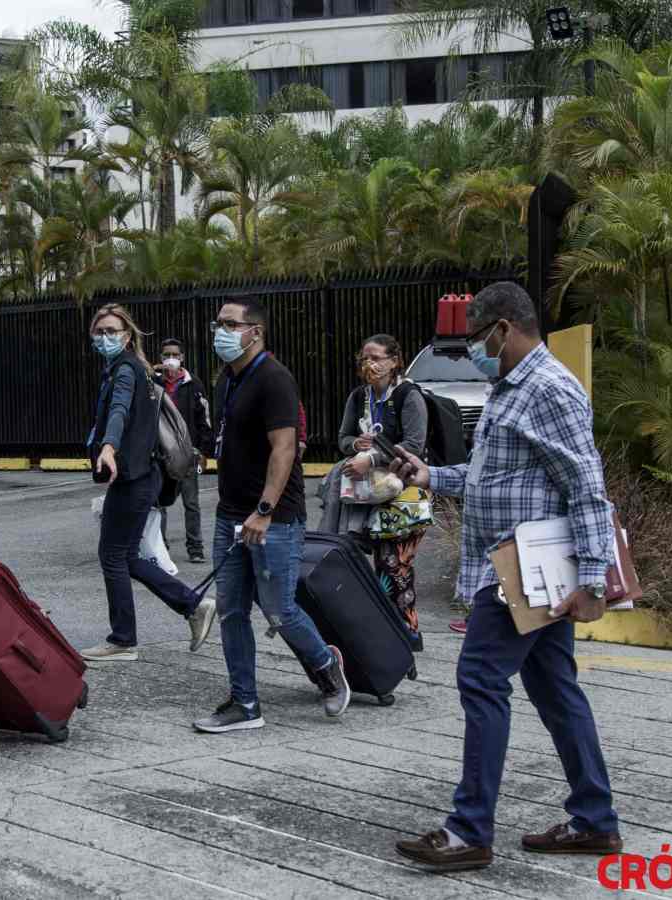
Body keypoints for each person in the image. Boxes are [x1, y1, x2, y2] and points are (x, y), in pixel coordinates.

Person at [388, 282, 621, 871]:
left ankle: (469, 831)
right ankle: (595, 820)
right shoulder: (508, 387)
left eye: (475, 338)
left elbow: (586, 486)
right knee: (555, 690)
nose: (472, 350)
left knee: (481, 679)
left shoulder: (549, 389)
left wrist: (594, 579)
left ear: (503, 329)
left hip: (523, 571)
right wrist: (429, 475)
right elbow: (489, 476)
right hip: (521, 569)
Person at [192, 295, 350, 734]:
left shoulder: (274, 379)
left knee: (280, 611)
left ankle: (325, 664)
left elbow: (284, 449)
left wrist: (264, 510)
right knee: (232, 611)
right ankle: (245, 703)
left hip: (273, 518)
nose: (220, 332)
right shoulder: (228, 380)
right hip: (230, 515)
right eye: (218, 323)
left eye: (230, 324)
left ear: (255, 332)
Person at [82, 305, 217, 663]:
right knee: (126, 555)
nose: (104, 338)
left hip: (133, 476)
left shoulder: (126, 370)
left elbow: (119, 410)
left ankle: (123, 640)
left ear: (127, 336)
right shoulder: (137, 369)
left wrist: (109, 446)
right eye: (99, 332)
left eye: (111, 331)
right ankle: (193, 605)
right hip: (142, 475)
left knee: (112, 555)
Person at [321, 335, 428, 634]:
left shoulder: (408, 395)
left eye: (377, 358)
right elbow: (343, 438)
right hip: (364, 491)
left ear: (394, 362)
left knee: (394, 565)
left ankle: (405, 631)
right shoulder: (358, 397)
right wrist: (356, 444)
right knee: (355, 556)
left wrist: (372, 458)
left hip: (403, 488)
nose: (370, 364)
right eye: (365, 358)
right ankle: (379, 631)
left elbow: (415, 445)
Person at [154, 338, 213, 564]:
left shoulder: (193, 384)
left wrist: (203, 450)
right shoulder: (153, 382)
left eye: (175, 355)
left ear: (182, 358)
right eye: (167, 354)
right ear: (160, 358)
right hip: (161, 453)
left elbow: (203, 418)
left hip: (188, 453)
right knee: (159, 503)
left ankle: (195, 548)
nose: (171, 358)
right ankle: (160, 547)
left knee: (191, 503)